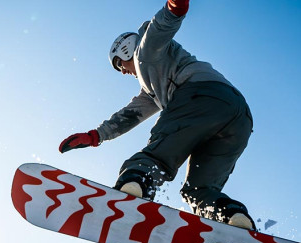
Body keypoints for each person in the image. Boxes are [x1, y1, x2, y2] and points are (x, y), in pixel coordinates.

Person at [59, 0, 255, 230]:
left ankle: (133, 188)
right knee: (200, 191)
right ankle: (233, 219)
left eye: (119, 64)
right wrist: (95, 136)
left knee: (156, 158)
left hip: (200, 95)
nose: (123, 72)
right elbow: (128, 116)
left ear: (126, 49)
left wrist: (175, 7)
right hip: (239, 117)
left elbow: (161, 26)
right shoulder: (152, 90)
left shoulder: (146, 51)